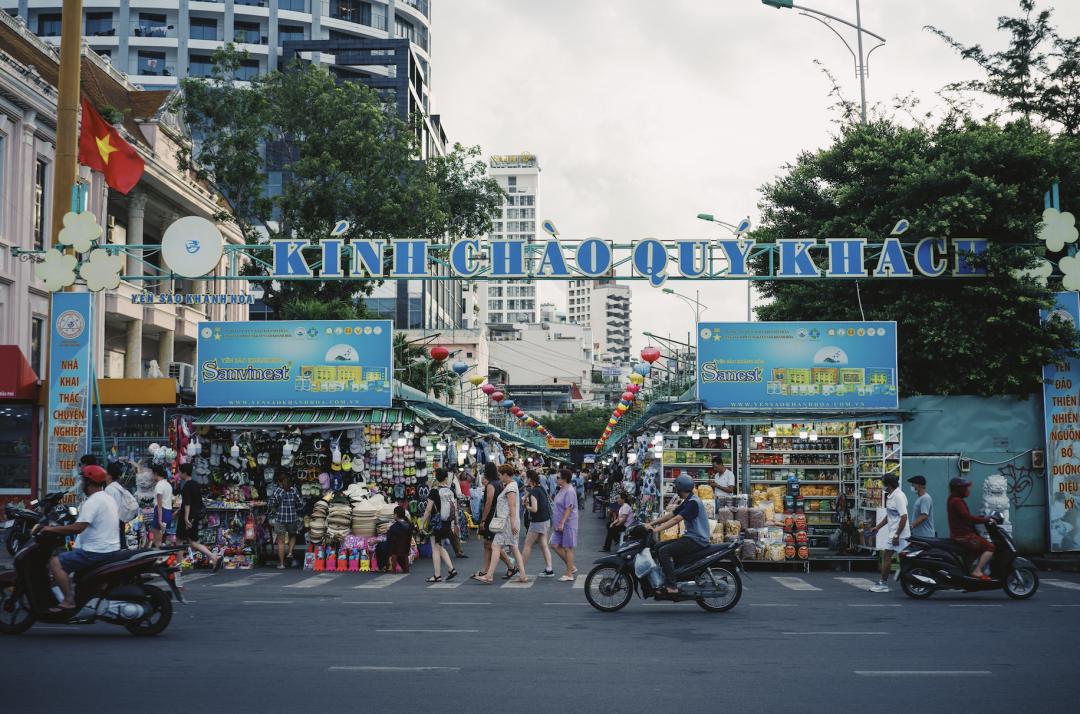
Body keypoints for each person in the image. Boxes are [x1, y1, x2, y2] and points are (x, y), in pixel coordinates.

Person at [40, 465, 119, 613]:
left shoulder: (93, 502)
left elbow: (78, 528)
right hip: (109, 549)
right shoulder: (107, 498)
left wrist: (51, 529)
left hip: (96, 551)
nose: (82, 484)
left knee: (56, 562)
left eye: (83, 481)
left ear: (89, 482)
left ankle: (69, 600)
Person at [646, 474, 710, 595]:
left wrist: (656, 530)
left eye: (676, 488)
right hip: (690, 537)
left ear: (681, 488)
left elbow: (676, 520)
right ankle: (669, 574)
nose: (676, 490)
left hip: (697, 540)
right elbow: (671, 514)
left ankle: (672, 585)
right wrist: (651, 523)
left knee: (664, 551)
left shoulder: (693, 503)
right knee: (658, 546)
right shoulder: (689, 500)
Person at [474, 464, 528, 584]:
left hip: (507, 522)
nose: (499, 477)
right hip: (508, 522)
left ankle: (489, 575)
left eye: (500, 475)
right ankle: (522, 574)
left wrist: (513, 523)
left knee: (496, 546)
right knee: (513, 548)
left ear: (505, 475)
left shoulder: (511, 488)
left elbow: (512, 506)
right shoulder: (510, 486)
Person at [176, 463, 222, 572]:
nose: (178, 474)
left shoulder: (186, 486)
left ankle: (178, 567)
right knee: (193, 542)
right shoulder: (196, 484)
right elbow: (193, 502)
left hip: (187, 518)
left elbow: (187, 504)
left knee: (179, 542)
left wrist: (186, 518)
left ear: (184, 473)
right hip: (195, 517)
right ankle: (214, 557)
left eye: (179, 471)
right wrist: (178, 511)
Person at [947, 477, 995, 580]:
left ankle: (970, 571)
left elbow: (965, 517)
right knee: (990, 547)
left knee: (977, 549)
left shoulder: (953, 499)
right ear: (959, 489)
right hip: (964, 536)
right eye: (965, 488)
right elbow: (967, 517)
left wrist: (981, 519)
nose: (968, 490)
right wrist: (985, 520)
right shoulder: (956, 501)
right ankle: (977, 571)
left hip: (959, 534)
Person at [868, 473, 910, 593]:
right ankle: (899, 580)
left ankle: (883, 583)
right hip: (895, 533)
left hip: (900, 534)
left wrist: (897, 535)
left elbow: (904, 517)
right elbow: (889, 516)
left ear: (889, 485)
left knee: (889, 557)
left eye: (883, 483)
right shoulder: (891, 495)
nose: (882, 486)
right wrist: (877, 527)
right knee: (900, 558)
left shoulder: (899, 496)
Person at [473, 462, 513, 580]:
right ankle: (485, 570)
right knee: (487, 544)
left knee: (492, 544)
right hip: (498, 515)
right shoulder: (499, 483)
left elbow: (488, 502)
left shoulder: (491, 485)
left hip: (491, 517)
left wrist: (483, 520)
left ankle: (510, 566)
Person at [422, 468, 458, 583]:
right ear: (446, 478)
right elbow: (455, 508)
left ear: (436, 478)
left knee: (435, 548)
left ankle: (437, 575)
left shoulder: (434, 491)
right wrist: (456, 524)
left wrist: (422, 524)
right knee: (439, 546)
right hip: (447, 522)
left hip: (437, 522)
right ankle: (451, 569)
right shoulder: (451, 490)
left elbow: (428, 510)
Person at [521, 470, 554, 577]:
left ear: (530, 479)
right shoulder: (541, 488)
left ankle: (521, 570)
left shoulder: (534, 491)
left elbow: (534, 509)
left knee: (527, 545)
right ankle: (549, 569)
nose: (525, 479)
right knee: (543, 544)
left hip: (537, 521)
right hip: (546, 520)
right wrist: (527, 496)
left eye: (526, 477)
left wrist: (527, 506)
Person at [267, 473, 303, 569]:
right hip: (292, 518)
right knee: (292, 535)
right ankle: (290, 552)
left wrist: (275, 508)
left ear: (279, 482)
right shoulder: (294, 490)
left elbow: (271, 504)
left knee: (281, 542)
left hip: (280, 519)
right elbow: (300, 504)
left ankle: (282, 564)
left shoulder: (277, 491)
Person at [550, 468, 579, 582]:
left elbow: (569, 508)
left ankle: (569, 573)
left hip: (567, 523)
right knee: (554, 544)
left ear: (564, 479)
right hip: (559, 523)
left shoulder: (570, 491)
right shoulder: (562, 489)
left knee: (568, 548)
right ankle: (571, 566)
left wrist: (562, 522)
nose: (556, 479)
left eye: (558, 478)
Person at [103, 462, 132, 549]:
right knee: (121, 543)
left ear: (110, 476)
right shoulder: (118, 487)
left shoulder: (109, 489)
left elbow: (108, 508)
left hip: (113, 521)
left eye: (106, 473)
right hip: (120, 519)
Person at [376, 506, 413, 573]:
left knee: (380, 546)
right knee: (391, 546)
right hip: (406, 547)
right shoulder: (409, 525)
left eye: (393, 514)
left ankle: (382, 566)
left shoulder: (394, 527)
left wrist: (388, 530)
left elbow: (389, 539)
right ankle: (403, 567)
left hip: (395, 548)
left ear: (396, 514)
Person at [149, 464, 173, 548]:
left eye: (152, 474)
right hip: (167, 512)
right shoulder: (168, 484)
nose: (151, 476)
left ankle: (159, 559)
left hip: (161, 512)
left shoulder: (159, 486)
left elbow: (159, 505)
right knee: (160, 539)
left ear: (155, 474)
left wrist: (159, 521)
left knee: (157, 541)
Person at [908, 475, 936, 540]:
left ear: (919, 485)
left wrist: (911, 526)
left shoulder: (925, 498)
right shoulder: (920, 498)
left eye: (913, 484)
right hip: (919, 535)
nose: (911, 486)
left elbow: (924, 516)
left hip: (925, 536)